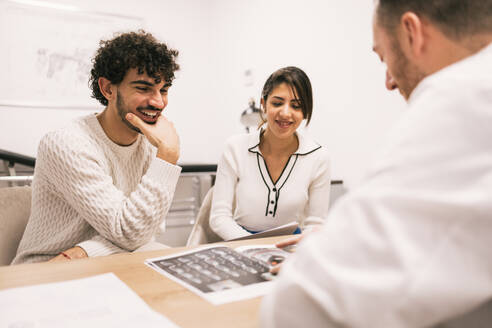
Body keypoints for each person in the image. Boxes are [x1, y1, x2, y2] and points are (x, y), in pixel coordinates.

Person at [261, 1, 492, 327]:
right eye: (277, 103)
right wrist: (343, 242)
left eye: (385, 57)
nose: (388, 82)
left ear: (412, 33)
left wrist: (335, 254)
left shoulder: (464, 96)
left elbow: (304, 304)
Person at [12, 30, 181, 264]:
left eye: (163, 89)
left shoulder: (152, 144)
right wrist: (168, 157)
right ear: (108, 89)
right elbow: (131, 232)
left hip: (102, 259)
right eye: (143, 88)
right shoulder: (66, 143)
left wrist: (87, 250)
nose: (158, 102)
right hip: (51, 265)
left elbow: (149, 227)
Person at [209, 66, 331, 241]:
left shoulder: (319, 157)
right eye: (277, 103)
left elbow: (316, 225)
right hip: (240, 243)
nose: (285, 113)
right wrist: (254, 247)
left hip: (291, 248)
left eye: (296, 106)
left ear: (305, 112)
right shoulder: (235, 148)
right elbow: (219, 217)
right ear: (263, 104)